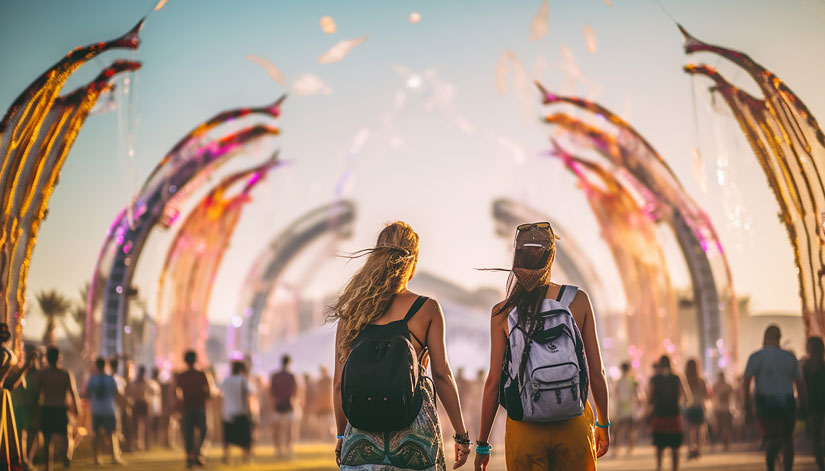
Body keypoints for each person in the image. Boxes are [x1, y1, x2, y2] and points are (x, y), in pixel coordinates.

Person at [330, 221, 470, 470]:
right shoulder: (426, 309)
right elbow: (441, 374)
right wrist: (461, 434)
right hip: (413, 438)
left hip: (361, 438)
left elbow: (339, 384)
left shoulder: (351, 313)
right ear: (412, 262)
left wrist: (342, 437)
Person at [474, 222, 609, 471]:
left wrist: (483, 444)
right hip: (573, 424)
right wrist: (603, 424)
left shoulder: (502, 312)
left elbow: (493, 382)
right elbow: (596, 372)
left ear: (516, 256)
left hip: (525, 429)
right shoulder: (578, 301)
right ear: (551, 257)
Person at [744, 325, 807, 471]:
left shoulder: (756, 357)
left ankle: (771, 466)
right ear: (779, 339)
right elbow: (800, 383)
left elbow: (746, 381)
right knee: (788, 439)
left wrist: (746, 405)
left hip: (765, 402)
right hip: (787, 400)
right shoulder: (790, 357)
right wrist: (804, 404)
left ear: (765, 338)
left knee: (773, 439)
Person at [38, 346, 80, 471]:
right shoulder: (65, 374)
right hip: (60, 408)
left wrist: (36, 409)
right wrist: (77, 409)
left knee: (48, 440)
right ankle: (66, 457)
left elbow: (37, 394)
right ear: (59, 358)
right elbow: (73, 392)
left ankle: (48, 466)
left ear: (47, 358)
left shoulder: (43, 374)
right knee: (65, 437)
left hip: (48, 408)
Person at [649, 355, 686, 471]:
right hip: (674, 413)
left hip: (659, 413)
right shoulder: (677, 377)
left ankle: (659, 466)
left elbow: (650, 397)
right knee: (675, 444)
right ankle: (675, 468)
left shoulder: (655, 379)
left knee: (659, 443)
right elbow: (685, 395)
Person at [86, 356, 125, 465]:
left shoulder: (92, 379)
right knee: (111, 433)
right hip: (109, 409)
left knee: (97, 435)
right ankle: (114, 457)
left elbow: (87, 393)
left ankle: (97, 458)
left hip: (96, 409)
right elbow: (116, 393)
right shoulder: (110, 379)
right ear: (105, 365)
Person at [175, 350, 211, 469]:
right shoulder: (202, 374)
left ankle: (190, 457)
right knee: (203, 431)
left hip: (187, 407)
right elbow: (209, 392)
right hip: (200, 407)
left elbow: (176, 393)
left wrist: (179, 406)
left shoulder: (182, 375)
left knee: (188, 433)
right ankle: (198, 454)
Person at [220, 361, 252, 464]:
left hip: (227, 412)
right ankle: (245, 457)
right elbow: (247, 395)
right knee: (245, 436)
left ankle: (226, 456)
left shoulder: (226, 380)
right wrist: (249, 411)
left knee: (228, 437)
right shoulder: (243, 380)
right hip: (240, 411)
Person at [803, 336, 825, 471]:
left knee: (815, 439)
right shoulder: (809, 366)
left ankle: (821, 465)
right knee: (816, 439)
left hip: (813, 406)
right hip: (814, 406)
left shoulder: (806, 366)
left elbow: (803, 387)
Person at [269, 355, 298, 458]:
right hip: (288, 405)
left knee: (276, 429)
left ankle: (278, 451)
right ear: (289, 363)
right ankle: (288, 450)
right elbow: (296, 391)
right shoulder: (291, 376)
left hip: (277, 405)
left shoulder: (275, 376)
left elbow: (271, 391)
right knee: (289, 430)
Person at [613, 361, 639, 457]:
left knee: (620, 429)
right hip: (631, 407)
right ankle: (630, 447)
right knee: (630, 429)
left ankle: (617, 448)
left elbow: (616, 394)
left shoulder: (619, 382)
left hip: (621, 407)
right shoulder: (633, 381)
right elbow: (636, 395)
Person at [684, 358, 708, 460]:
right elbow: (705, 395)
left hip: (689, 407)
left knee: (690, 429)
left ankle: (691, 448)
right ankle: (699, 449)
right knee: (699, 429)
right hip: (699, 406)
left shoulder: (685, 380)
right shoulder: (701, 380)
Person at [127, 366, 151, 452]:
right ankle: (136, 444)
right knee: (135, 425)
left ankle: (143, 444)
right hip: (137, 403)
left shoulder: (146, 382)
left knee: (143, 426)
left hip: (143, 403)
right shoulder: (136, 382)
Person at [711, 371, 734, 451]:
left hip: (726, 408)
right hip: (719, 408)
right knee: (721, 427)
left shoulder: (728, 386)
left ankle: (727, 442)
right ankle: (724, 441)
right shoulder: (716, 386)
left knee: (726, 426)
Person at [314, 365, 334, 441]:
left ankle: (329, 439)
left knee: (328, 424)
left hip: (328, 406)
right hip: (326, 406)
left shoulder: (327, 380)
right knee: (324, 424)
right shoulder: (326, 380)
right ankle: (324, 438)